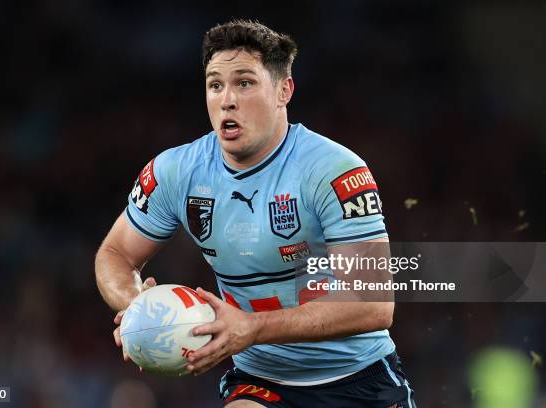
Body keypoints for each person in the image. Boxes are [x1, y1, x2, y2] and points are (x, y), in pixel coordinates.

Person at [95, 19, 416, 408]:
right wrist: (137, 308)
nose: (227, 99)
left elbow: (374, 305)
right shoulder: (175, 171)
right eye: (216, 85)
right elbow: (115, 254)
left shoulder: (334, 170)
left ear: (284, 90)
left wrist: (252, 328)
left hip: (358, 380)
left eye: (244, 83)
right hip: (262, 381)